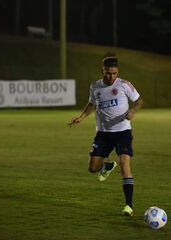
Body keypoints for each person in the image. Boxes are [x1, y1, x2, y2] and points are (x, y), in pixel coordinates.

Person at [68, 53, 143, 216]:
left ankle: (129, 206)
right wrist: (81, 117)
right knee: (93, 168)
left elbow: (138, 101)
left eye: (114, 73)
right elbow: (91, 104)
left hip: (123, 132)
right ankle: (106, 166)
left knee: (124, 164)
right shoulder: (95, 87)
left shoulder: (124, 84)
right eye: (108, 73)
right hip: (103, 134)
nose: (111, 76)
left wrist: (132, 111)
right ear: (102, 71)